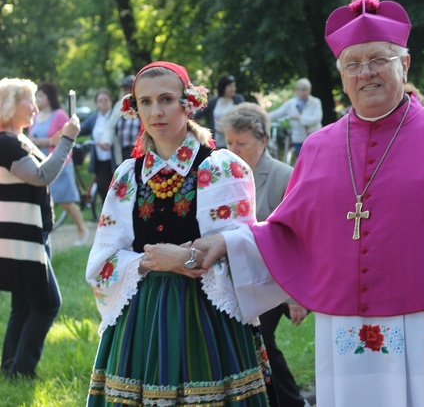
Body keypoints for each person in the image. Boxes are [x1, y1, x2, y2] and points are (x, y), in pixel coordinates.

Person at [195, 0, 424, 407]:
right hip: (350, 331)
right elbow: (288, 232)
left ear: (405, 64)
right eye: (353, 64)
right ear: (341, 75)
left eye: (378, 59)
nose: (366, 73)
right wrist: (229, 243)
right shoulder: (319, 147)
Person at [85, 62, 270, 406]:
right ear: (134, 108)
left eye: (167, 99)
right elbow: (105, 255)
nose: (156, 111)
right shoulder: (128, 176)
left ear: (188, 103)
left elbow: (247, 246)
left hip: (208, 315)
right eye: (145, 102)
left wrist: (188, 259)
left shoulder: (220, 167)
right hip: (142, 313)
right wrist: (153, 261)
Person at [223, 102, 310, 407]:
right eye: (228, 142)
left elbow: (297, 238)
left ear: (262, 140)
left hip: (276, 279)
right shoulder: (223, 174)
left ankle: (292, 402)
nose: (232, 149)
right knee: (252, 343)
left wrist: (292, 295)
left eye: (241, 143)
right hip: (238, 275)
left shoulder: (283, 177)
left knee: (260, 340)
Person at [0, 78, 80, 379]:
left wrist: (58, 141)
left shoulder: (15, 139)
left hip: (26, 235)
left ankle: (11, 369)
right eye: (29, 102)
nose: (36, 108)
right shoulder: (5, 142)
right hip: (22, 237)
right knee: (47, 304)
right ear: (9, 105)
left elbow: (38, 167)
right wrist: (68, 140)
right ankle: (22, 372)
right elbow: (40, 175)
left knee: (23, 305)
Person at [28, 81, 88, 244]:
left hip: (60, 163)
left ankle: (83, 230)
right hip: (41, 163)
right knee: (47, 201)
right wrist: (46, 141)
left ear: (49, 96)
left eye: (41, 95)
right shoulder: (35, 116)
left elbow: (64, 138)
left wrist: (43, 142)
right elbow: (33, 139)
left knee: (66, 201)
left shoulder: (60, 115)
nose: (38, 98)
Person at [268, 78, 322, 157]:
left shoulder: (315, 102)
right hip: (298, 139)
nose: (304, 92)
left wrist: (299, 118)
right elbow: (277, 114)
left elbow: (317, 119)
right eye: (302, 90)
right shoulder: (291, 103)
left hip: (314, 138)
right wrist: (262, 117)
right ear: (297, 90)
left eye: (306, 90)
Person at [80, 89, 115, 203]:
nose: (103, 102)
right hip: (100, 161)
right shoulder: (94, 118)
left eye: (106, 100)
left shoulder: (115, 116)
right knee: (102, 188)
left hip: (114, 160)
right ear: (96, 103)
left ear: (111, 101)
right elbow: (82, 129)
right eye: (100, 100)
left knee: (116, 190)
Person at [194, 74, 245, 149]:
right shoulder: (213, 101)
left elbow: (244, 118)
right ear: (223, 87)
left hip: (234, 142)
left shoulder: (238, 100)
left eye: (234, 86)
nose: (233, 89)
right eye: (230, 86)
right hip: (216, 142)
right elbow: (196, 115)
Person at [102, 75, 141, 166]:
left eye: (129, 89)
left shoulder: (142, 103)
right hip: (122, 150)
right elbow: (110, 126)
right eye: (125, 89)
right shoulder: (118, 106)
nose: (127, 92)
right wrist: (106, 140)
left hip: (139, 149)